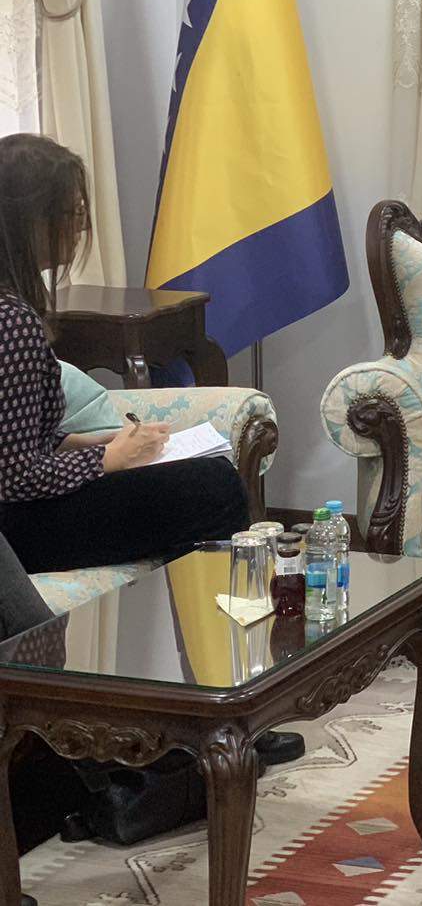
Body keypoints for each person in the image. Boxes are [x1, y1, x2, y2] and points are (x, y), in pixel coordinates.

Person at [0, 133, 300, 771]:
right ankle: (224, 700)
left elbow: (16, 437)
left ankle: (195, 697)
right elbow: (15, 477)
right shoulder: (12, 322)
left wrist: (99, 440)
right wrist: (108, 461)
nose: (82, 225)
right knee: (212, 489)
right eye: (73, 212)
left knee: (195, 484)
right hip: (18, 529)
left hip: (21, 511)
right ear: (32, 223)